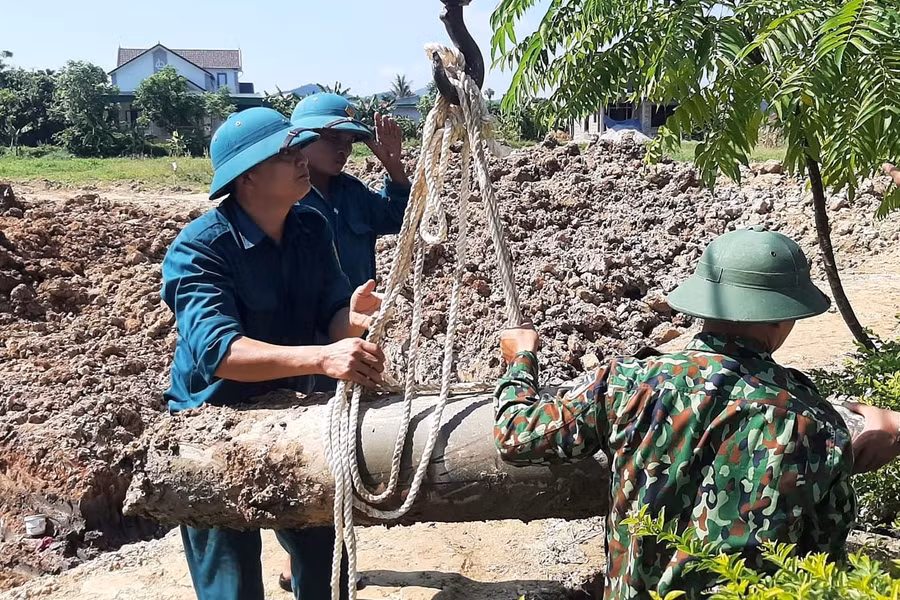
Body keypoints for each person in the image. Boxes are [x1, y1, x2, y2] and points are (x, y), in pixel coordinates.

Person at [493, 226, 857, 599]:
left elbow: (517, 436)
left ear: (703, 305)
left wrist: (520, 360)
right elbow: (823, 560)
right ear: (784, 316)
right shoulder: (818, 424)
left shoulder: (626, 384)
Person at [161, 107, 386, 600]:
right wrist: (324, 359)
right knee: (231, 585)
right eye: (285, 152)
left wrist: (353, 323)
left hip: (293, 414)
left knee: (327, 566)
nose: (301, 158)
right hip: (214, 426)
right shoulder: (200, 250)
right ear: (247, 178)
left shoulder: (310, 225)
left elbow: (330, 308)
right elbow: (220, 353)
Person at [275, 93, 412, 592]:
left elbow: (399, 219)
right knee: (306, 444)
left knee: (346, 438)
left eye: (348, 139)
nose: (342, 149)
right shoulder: (284, 201)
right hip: (304, 341)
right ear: (299, 143)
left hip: (355, 334)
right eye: (329, 138)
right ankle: (305, 556)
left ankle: (314, 557)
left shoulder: (352, 194)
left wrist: (394, 167)